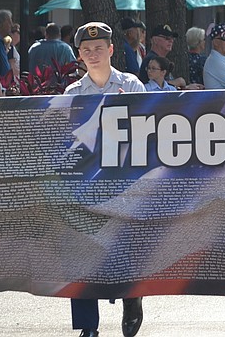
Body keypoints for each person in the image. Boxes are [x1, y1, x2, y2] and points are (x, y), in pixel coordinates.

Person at [64, 22, 145, 337]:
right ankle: (87, 326)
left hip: (125, 183)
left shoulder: (133, 86)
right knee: (81, 252)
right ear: (80, 55)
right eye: (86, 50)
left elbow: (150, 137)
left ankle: (131, 298)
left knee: (123, 251)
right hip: (87, 184)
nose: (93, 54)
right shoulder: (73, 93)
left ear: (112, 49)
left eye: (99, 48)